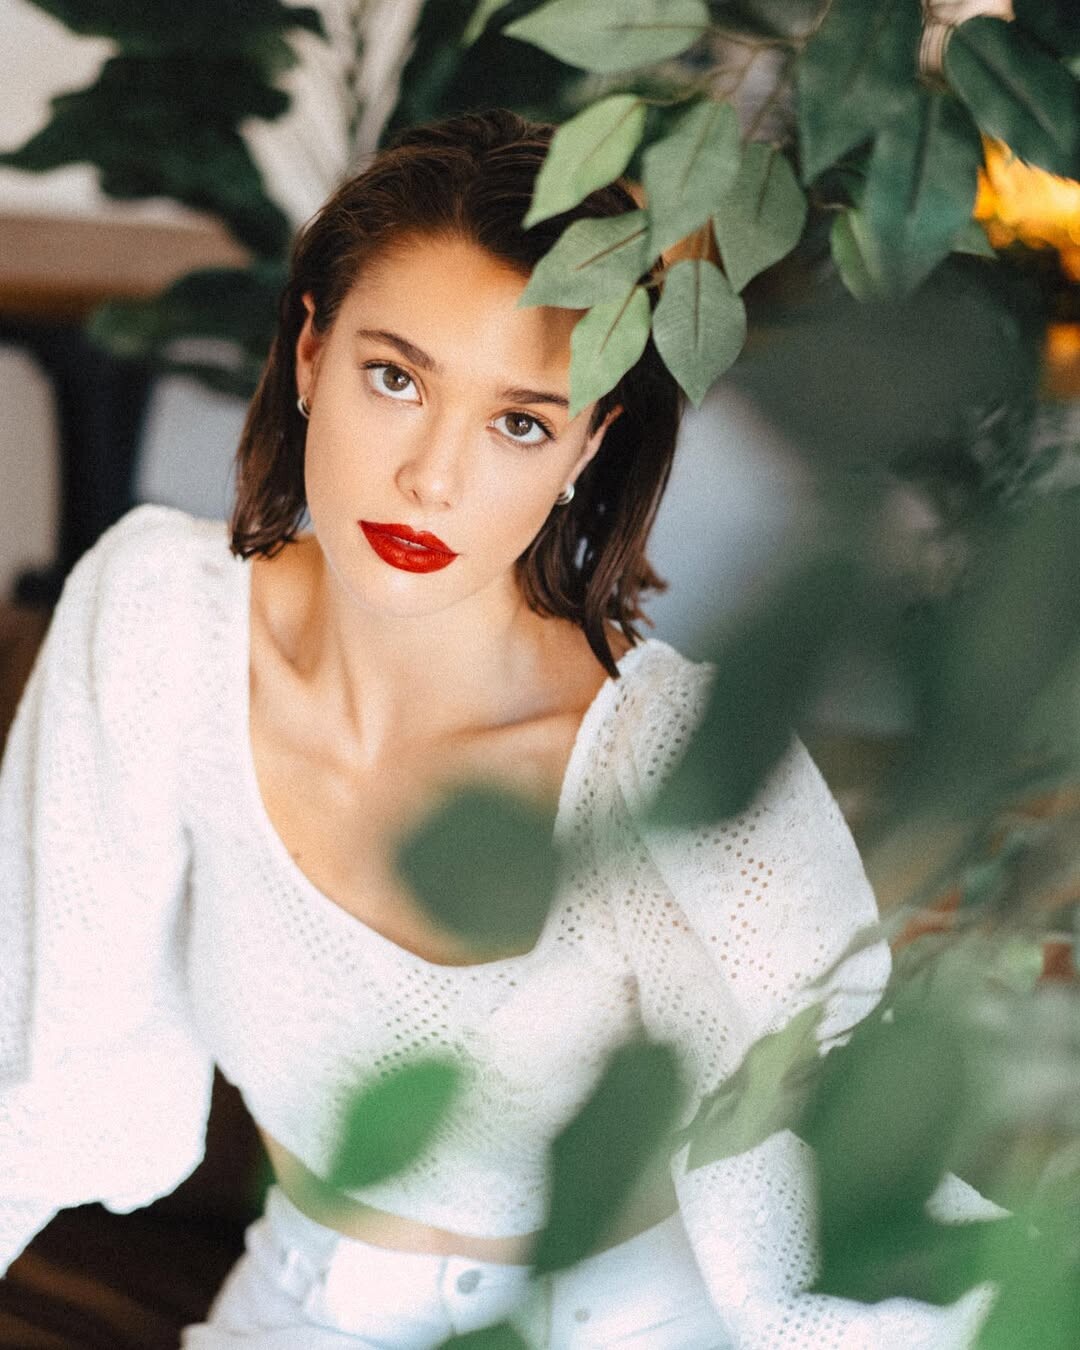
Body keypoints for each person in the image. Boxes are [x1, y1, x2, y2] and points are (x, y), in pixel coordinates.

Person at [0, 110, 990, 1348]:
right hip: (300, 1303)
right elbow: (41, 1082)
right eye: (396, 378)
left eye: (519, 420)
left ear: (587, 445)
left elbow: (849, 1194)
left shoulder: (673, 764)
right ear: (310, 352)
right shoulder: (156, 620)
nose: (433, 477)